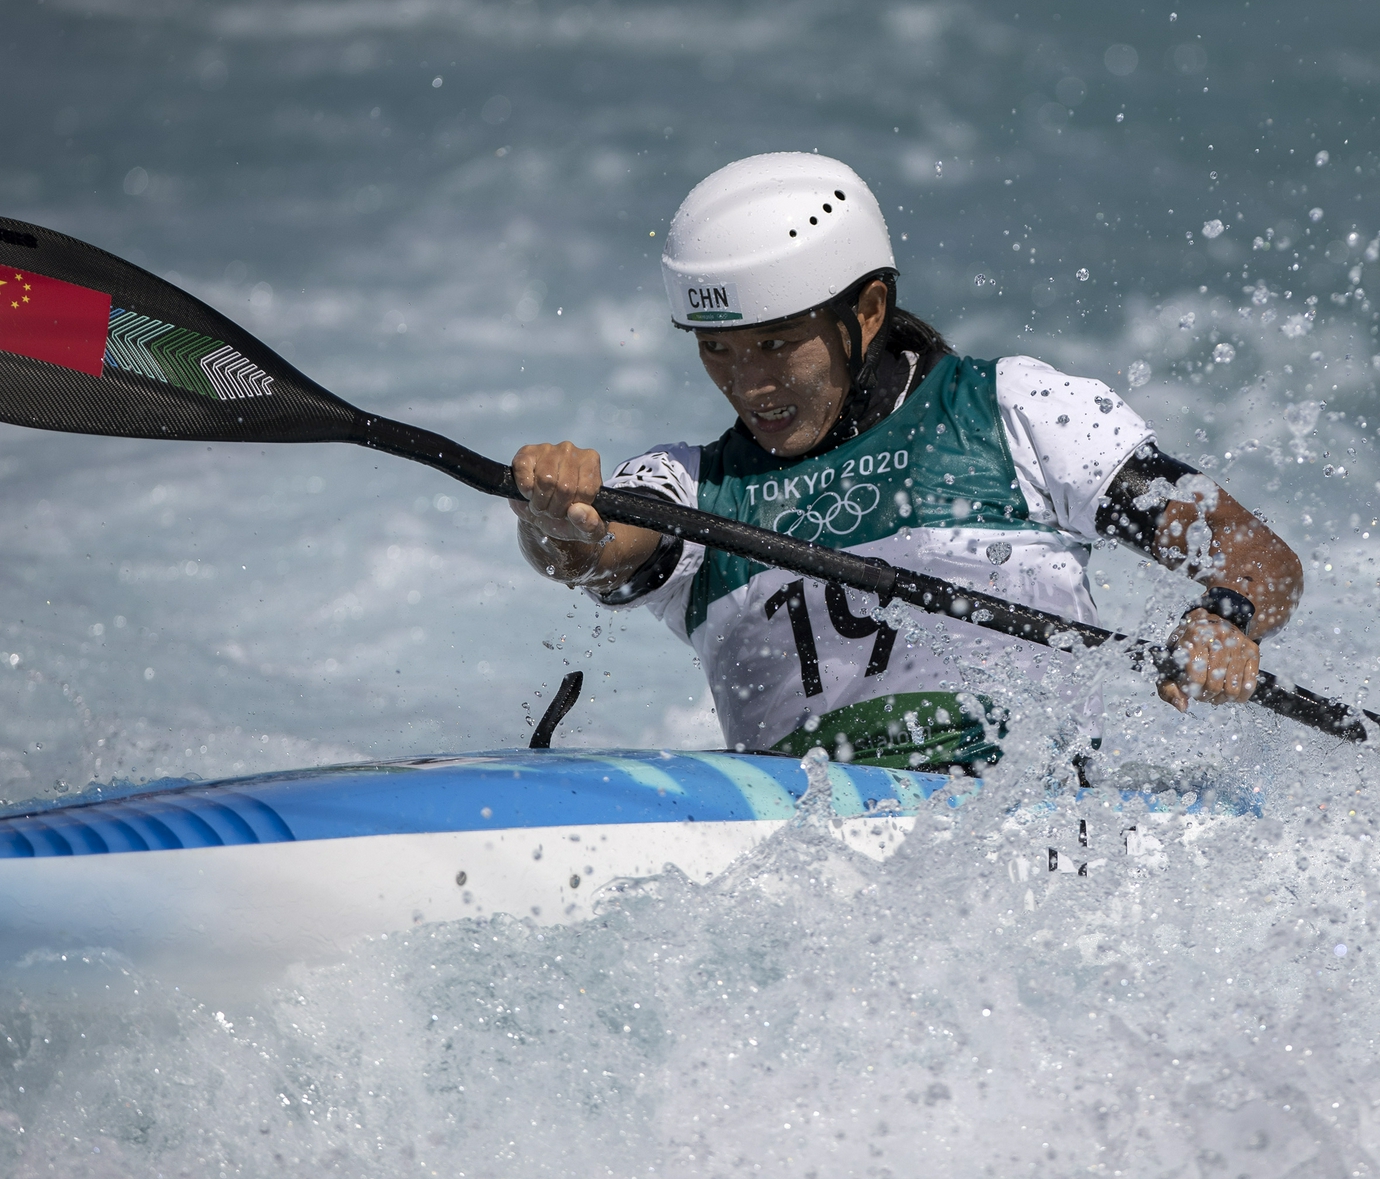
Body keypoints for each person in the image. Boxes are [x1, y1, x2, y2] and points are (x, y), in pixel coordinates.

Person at [510, 152, 1302, 773]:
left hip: (1023, 824)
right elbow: (598, 545)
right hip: (806, 846)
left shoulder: (1014, 413)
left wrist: (1224, 620)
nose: (749, 383)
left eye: (778, 343)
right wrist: (557, 519)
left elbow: (1258, 558)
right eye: (718, 350)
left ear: (869, 311)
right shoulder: (691, 487)